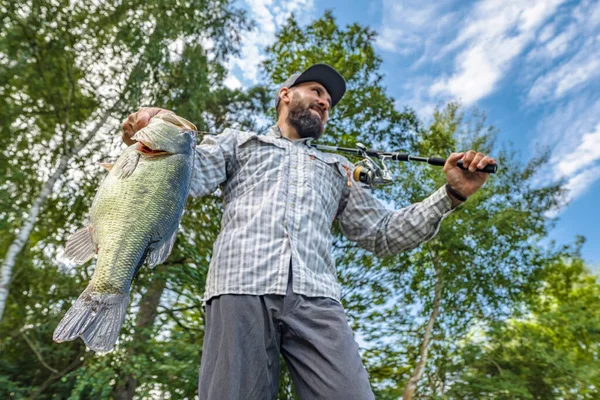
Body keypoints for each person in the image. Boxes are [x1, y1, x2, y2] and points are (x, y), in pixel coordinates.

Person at [121, 64, 495, 399]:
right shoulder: (239, 143)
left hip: (317, 299)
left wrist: (452, 194)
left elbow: (383, 233)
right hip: (238, 288)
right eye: (317, 91)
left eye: (329, 100)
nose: (325, 102)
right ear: (285, 94)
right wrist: (157, 132)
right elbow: (187, 174)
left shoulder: (339, 168)